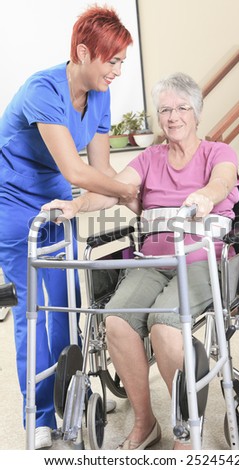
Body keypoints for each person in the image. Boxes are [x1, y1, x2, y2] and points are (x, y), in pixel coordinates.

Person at [43, 72, 239, 450]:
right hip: (151, 261)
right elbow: (114, 191)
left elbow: (223, 182)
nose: (173, 116)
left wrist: (204, 196)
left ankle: (187, 427)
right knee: (116, 320)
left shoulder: (218, 152)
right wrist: (76, 205)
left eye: (182, 107)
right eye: (165, 109)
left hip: (201, 259)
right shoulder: (150, 157)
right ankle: (146, 423)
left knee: (166, 325)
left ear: (196, 113)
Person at [0, 5, 139, 450]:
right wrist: (124, 192)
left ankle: (70, 396)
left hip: (60, 204)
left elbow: (101, 169)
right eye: (111, 60)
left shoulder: (100, 94)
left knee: (67, 306)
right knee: (34, 310)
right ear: (82, 51)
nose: (117, 70)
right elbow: (79, 171)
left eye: (122, 61)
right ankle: (39, 412)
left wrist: (125, 190)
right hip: (14, 203)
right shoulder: (42, 88)